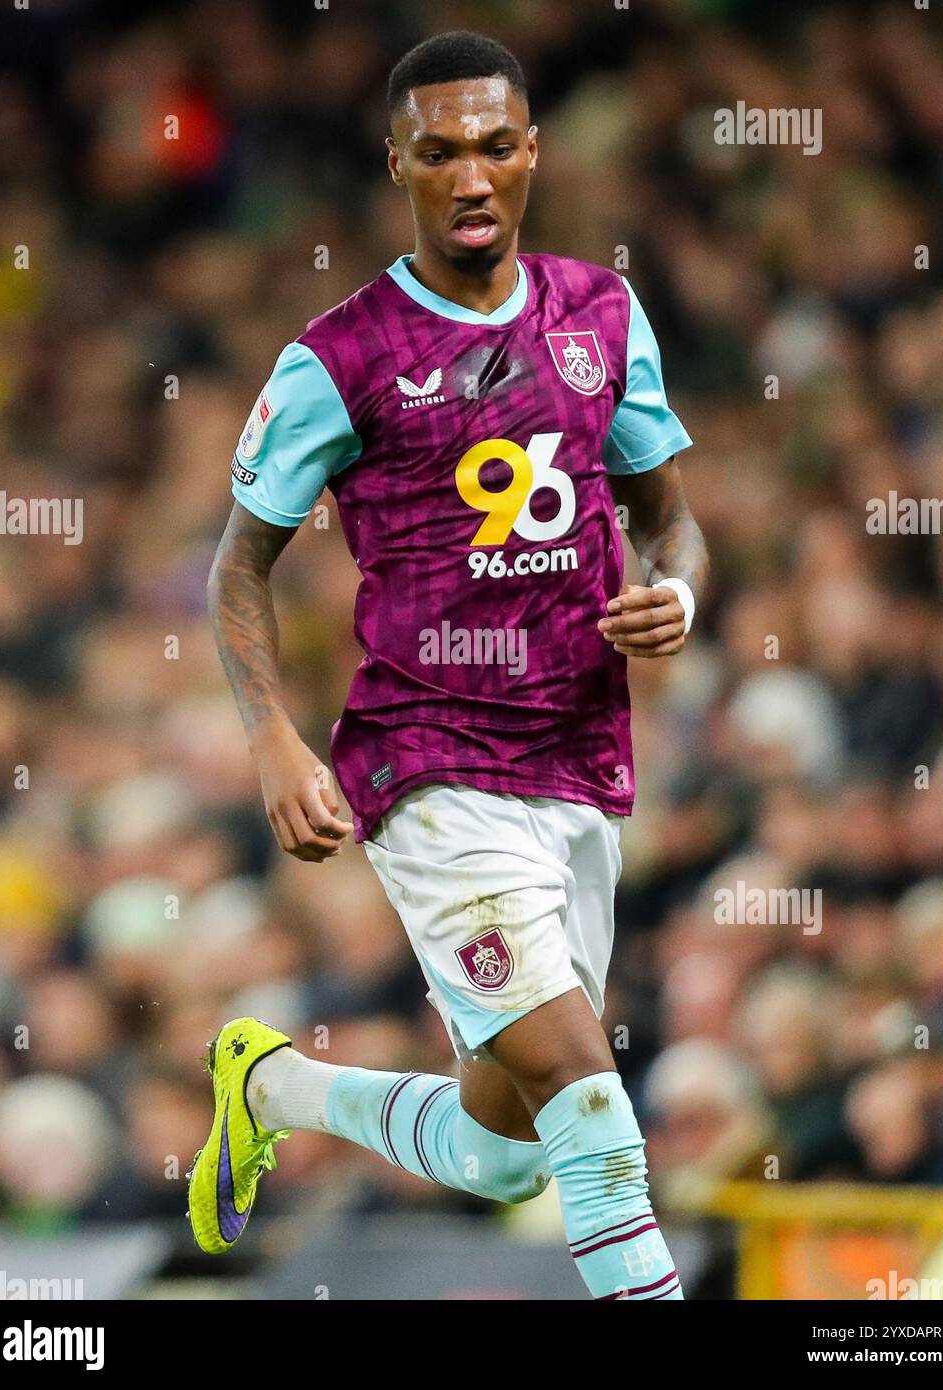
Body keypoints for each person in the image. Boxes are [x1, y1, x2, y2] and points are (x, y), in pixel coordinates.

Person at [188, 30, 707, 1302]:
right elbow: (236, 567)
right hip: (430, 769)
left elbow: (669, 514)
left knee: (508, 1150)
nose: (469, 177)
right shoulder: (340, 354)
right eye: (438, 154)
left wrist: (676, 590)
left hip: (580, 765)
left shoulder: (603, 311)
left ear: (531, 152)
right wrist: (272, 737)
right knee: (591, 1098)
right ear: (398, 166)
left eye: (492, 147)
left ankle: (271, 1084)